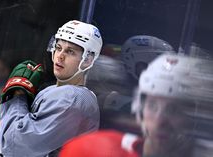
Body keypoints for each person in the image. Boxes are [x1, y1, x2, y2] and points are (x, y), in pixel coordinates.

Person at [59, 53, 213, 157]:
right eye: (152, 106)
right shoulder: (90, 150)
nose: (160, 121)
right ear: (140, 109)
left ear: (194, 116)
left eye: (173, 110)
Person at [0, 20, 103, 157]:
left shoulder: (73, 99)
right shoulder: (55, 90)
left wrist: (17, 95)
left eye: (70, 51)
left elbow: (16, 147)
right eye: (58, 47)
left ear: (88, 60)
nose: (60, 56)